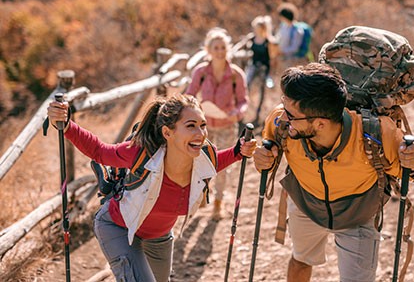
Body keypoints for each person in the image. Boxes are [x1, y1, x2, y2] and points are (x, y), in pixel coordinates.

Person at [47, 93, 256, 282]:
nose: (201, 133)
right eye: (191, 125)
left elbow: (217, 161)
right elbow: (100, 151)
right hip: (119, 227)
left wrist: (239, 151)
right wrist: (66, 124)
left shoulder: (204, 157)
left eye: (203, 125)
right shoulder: (142, 153)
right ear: (167, 132)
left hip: (160, 237)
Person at [253, 63, 414, 282]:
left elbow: (410, 172)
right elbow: (268, 156)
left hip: (358, 214)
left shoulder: (377, 133)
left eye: (291, 114)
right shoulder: (282, 123)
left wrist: (413, 161)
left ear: (321, 124)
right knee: (301, 260)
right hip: (306, 204)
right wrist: (262, 160)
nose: (283, 117)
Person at [185, 27, 249, 220]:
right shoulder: (201, 72)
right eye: (216, 47)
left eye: (223, 47)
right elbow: (189, 94)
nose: (220, 51)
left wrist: (236, 114)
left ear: (227, 49)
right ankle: (203, 195)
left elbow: (243, 101)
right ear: (208, 50)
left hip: (227, 127)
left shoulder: (236, 74)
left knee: (221, 166)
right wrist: (194, 109)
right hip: (201, 128)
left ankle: (218, 203)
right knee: (198, 162)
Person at [245, 15, 278, 125]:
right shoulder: (252, 38)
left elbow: (273, 57)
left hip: (264, 68)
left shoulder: (268, 41)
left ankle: (258, 112)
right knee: (246, 84)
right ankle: (245, 108)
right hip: (253, 66)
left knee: (262, 89)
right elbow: (243, 47)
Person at [275, 2, 307, 73]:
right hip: (283, 58)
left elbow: (295, 48)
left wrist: (282, 51)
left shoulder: (297, 30)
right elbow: (278, 38)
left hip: (292, 60)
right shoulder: (283, 26)